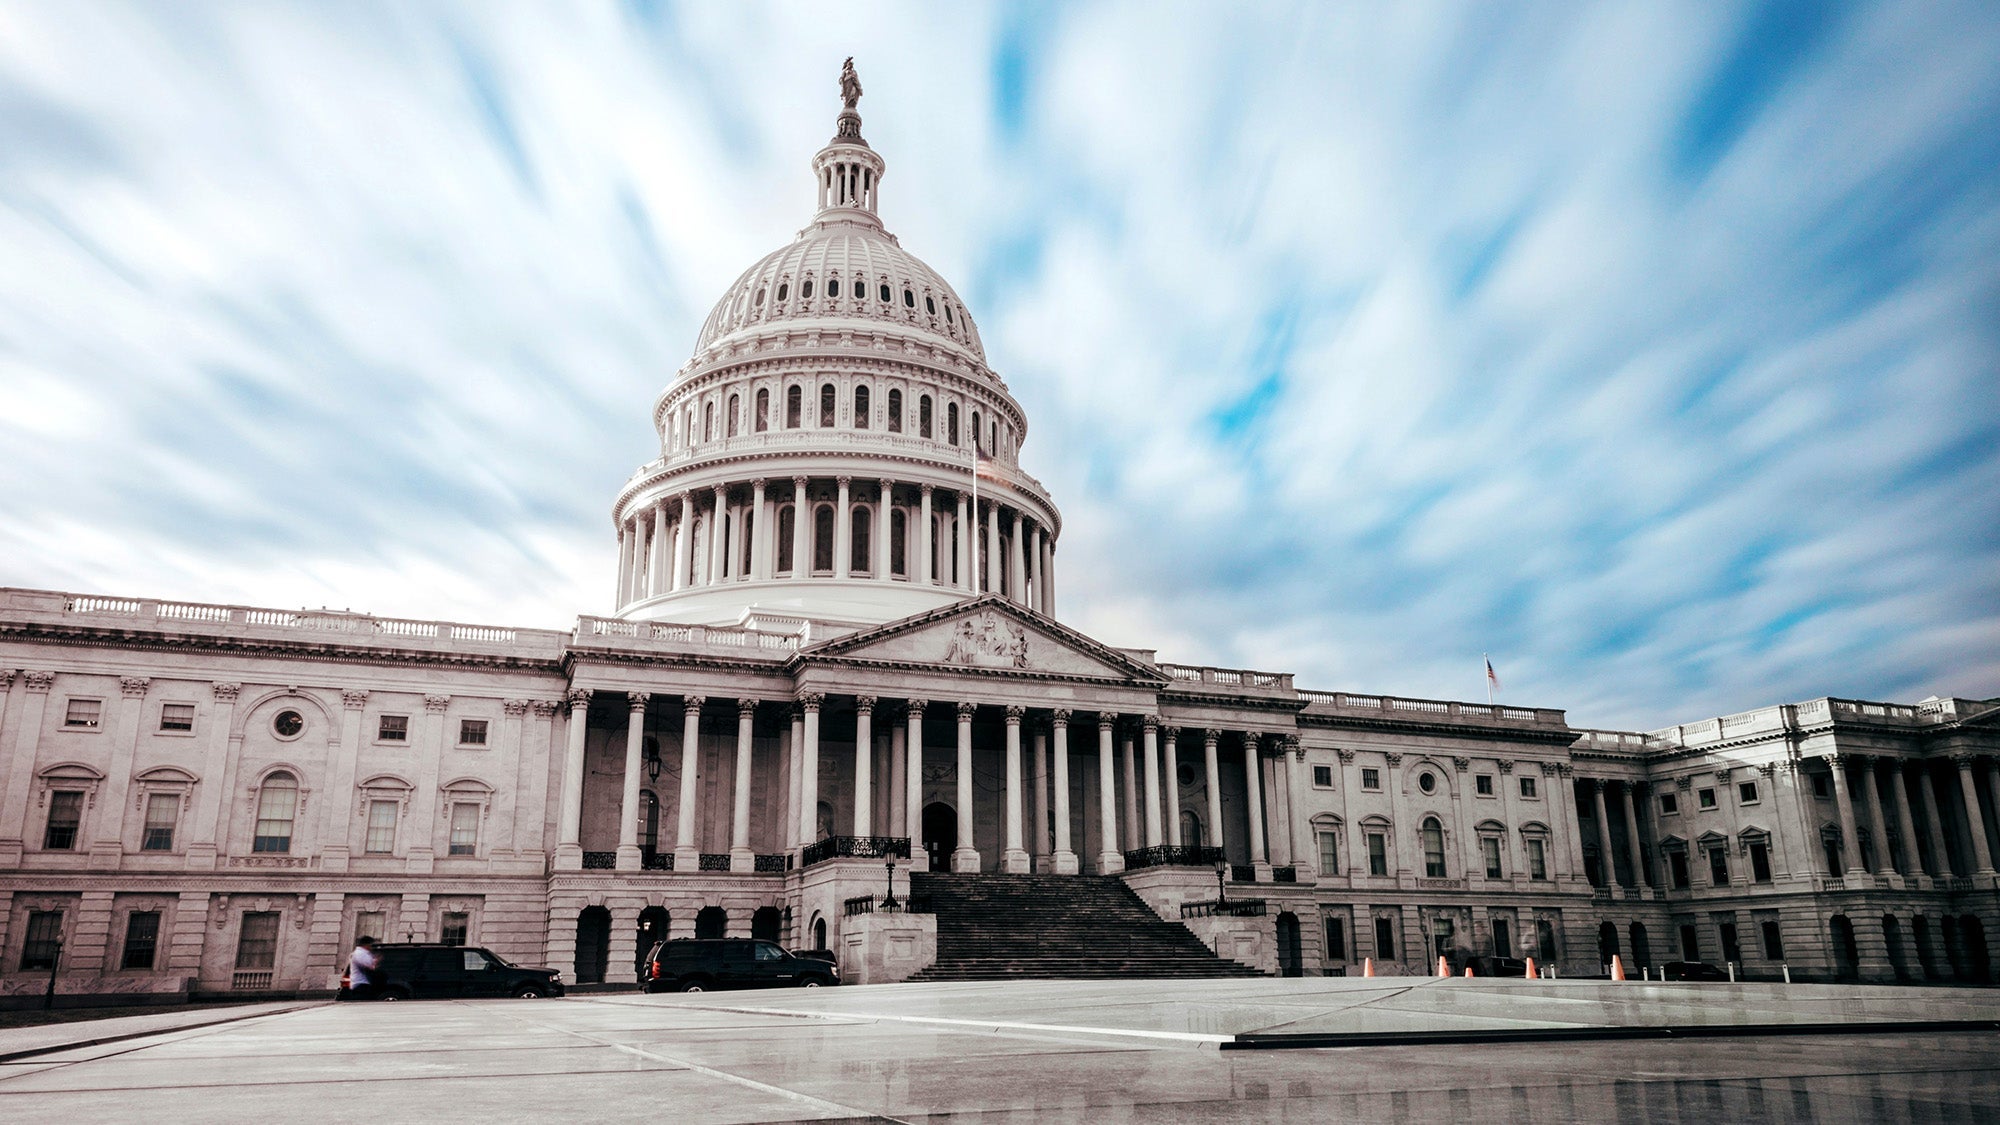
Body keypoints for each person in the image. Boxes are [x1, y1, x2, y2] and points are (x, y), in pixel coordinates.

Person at [347, 936, 380, 1001]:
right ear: (367, 944)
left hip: (363, 984)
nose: (371, 947)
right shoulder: (360, 954)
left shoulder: (364, 953)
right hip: (360, 985)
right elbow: (368, 967)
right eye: (371, 945)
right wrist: (376, 962)